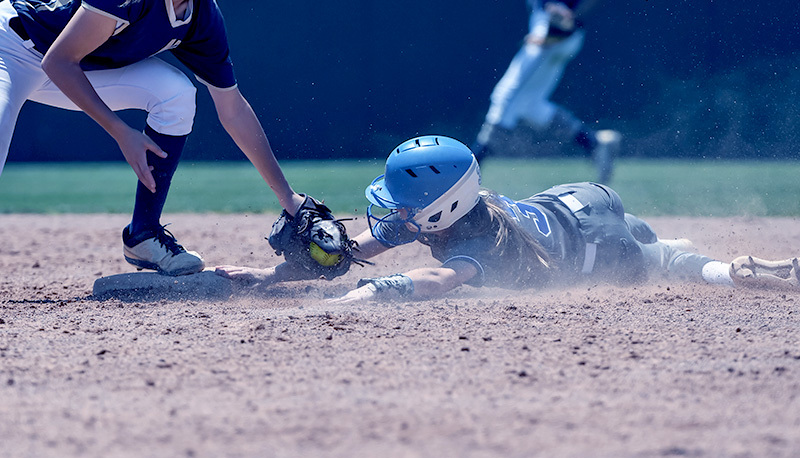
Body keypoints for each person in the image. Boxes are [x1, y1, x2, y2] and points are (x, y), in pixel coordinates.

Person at [215, 135, 800, 301]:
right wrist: (272, 277)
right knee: (662, 245)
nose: (391, 213)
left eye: (403, 204)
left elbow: (440, 279)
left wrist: (371, 293)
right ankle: (714, 259)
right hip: (576, 201)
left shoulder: (475, 242)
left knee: (659, 259)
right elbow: (356, 250)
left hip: (599, 248)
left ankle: (734, 271)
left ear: (438, 209)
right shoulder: (453, 213)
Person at [0, 0, 306, 276]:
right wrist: (120, 131)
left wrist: (287, 196)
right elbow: (58, 62)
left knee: (175, 94)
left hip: (76, 67)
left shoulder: (202, 16)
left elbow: (233, 109)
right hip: (11, 47)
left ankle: (143, 235)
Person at [472, 0, 621, 184]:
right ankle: (593, 143)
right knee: (531, 105)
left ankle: (469, 171)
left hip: (551, 33)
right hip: (558, 33)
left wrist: (559, 23)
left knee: (506, 96)